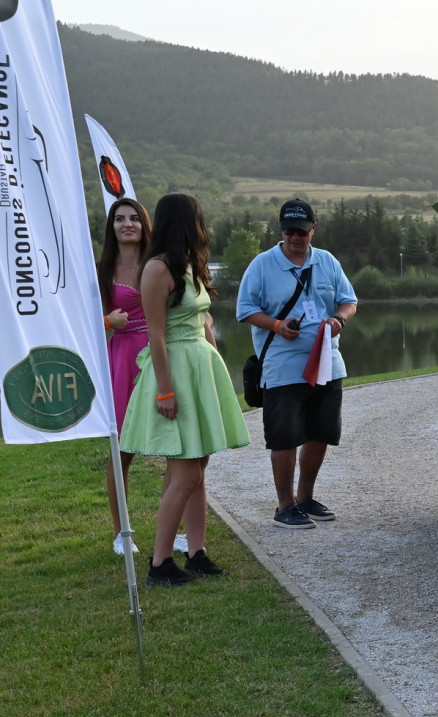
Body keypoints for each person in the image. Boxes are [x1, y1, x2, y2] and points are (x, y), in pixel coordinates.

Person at [118, 194, 250, 585]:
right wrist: (165, 390)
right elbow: (156, 335)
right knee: (186, 474)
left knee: (200, 469)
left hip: (199, 369)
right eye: (198, 219)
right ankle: (160, 564)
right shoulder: (157, 269)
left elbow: (203, 320)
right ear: (185, 222)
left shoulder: (190, 265)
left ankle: (196, 553)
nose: (203, 226)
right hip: (175, 370)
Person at [237, 199, 359, 529]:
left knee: (321, 433)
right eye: (290, 231)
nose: (296, 238)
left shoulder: (328, 262)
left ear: (313, 230)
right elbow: (245, 309)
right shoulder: (262, 265)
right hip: (282, 366)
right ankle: (284, 506)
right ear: (282, 231)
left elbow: (349, 301)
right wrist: (277, 325)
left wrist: (339, 320)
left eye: (302, 232)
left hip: (327, 364)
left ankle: (305, 497)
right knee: (285, 437)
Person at [99, 197, 155, 556]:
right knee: (122, 450)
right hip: (122, 358)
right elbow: (76, 323)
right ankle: (122, 535)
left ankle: (177, 530)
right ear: (112, 227)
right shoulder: (102, 269)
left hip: (160, 352)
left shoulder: (158, 262)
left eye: (134, 218)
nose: (127, 224)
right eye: (119, 219)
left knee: (179, 447)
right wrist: (107, 321)